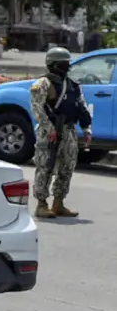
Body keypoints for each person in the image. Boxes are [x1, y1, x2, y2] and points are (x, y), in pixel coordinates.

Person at [31, 46, 92, 219]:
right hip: (49, 132)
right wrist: (49, 128)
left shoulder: (72, 85)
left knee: (67, 167)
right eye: (64, 63)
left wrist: (86, 128)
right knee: (45, 166)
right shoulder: (43, 84)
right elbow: (37, 108)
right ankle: (41, 204)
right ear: (54, 64)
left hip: (69, 131)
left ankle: (58, 203)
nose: (67, 66)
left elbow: (81, 107)